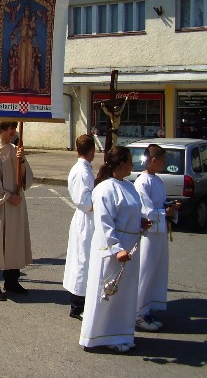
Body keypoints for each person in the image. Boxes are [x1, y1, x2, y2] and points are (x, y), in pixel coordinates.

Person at [80, 146, 150, 353]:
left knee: (125, 295)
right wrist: (116, 249)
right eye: (129, 160)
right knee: (109, 293)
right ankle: (101, 336)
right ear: (121, 164)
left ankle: (120, 332)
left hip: (130, 249)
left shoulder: (128, 186)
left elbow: (128, 214)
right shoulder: (104, 189)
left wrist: (140, 223)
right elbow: (104, 223)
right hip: (112, 252)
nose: (133, 164)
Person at [0, 121, 33, 301]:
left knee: (13, 242)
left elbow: (27, 178)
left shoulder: (15, 150)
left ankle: (11, 280)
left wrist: (22, 160)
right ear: (0, 130)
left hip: (15, 206)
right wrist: (9, 197)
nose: (13, 132)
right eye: (10, 128)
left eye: (14, 128)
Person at [134, 144, 180, 331]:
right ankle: (137, 313)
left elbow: (158, 204)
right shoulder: (142, 182)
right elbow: (146, 211)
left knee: (155, 271)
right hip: (149, 235)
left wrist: (170, 207)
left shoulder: (157, 181)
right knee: (145, 271)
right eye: (163, 160)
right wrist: (165, 212)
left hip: (159, 234)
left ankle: (146, 309)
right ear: (154, 160)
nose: (165, 163)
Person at [63, 134, 96, 320]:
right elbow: (84, 201)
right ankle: (77, 306)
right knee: (82, 261)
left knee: (85, 260)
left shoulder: (85, 169)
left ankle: (82, 301)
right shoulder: (81, 172)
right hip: (85, 220)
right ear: (91, 151)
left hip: (87, 220)